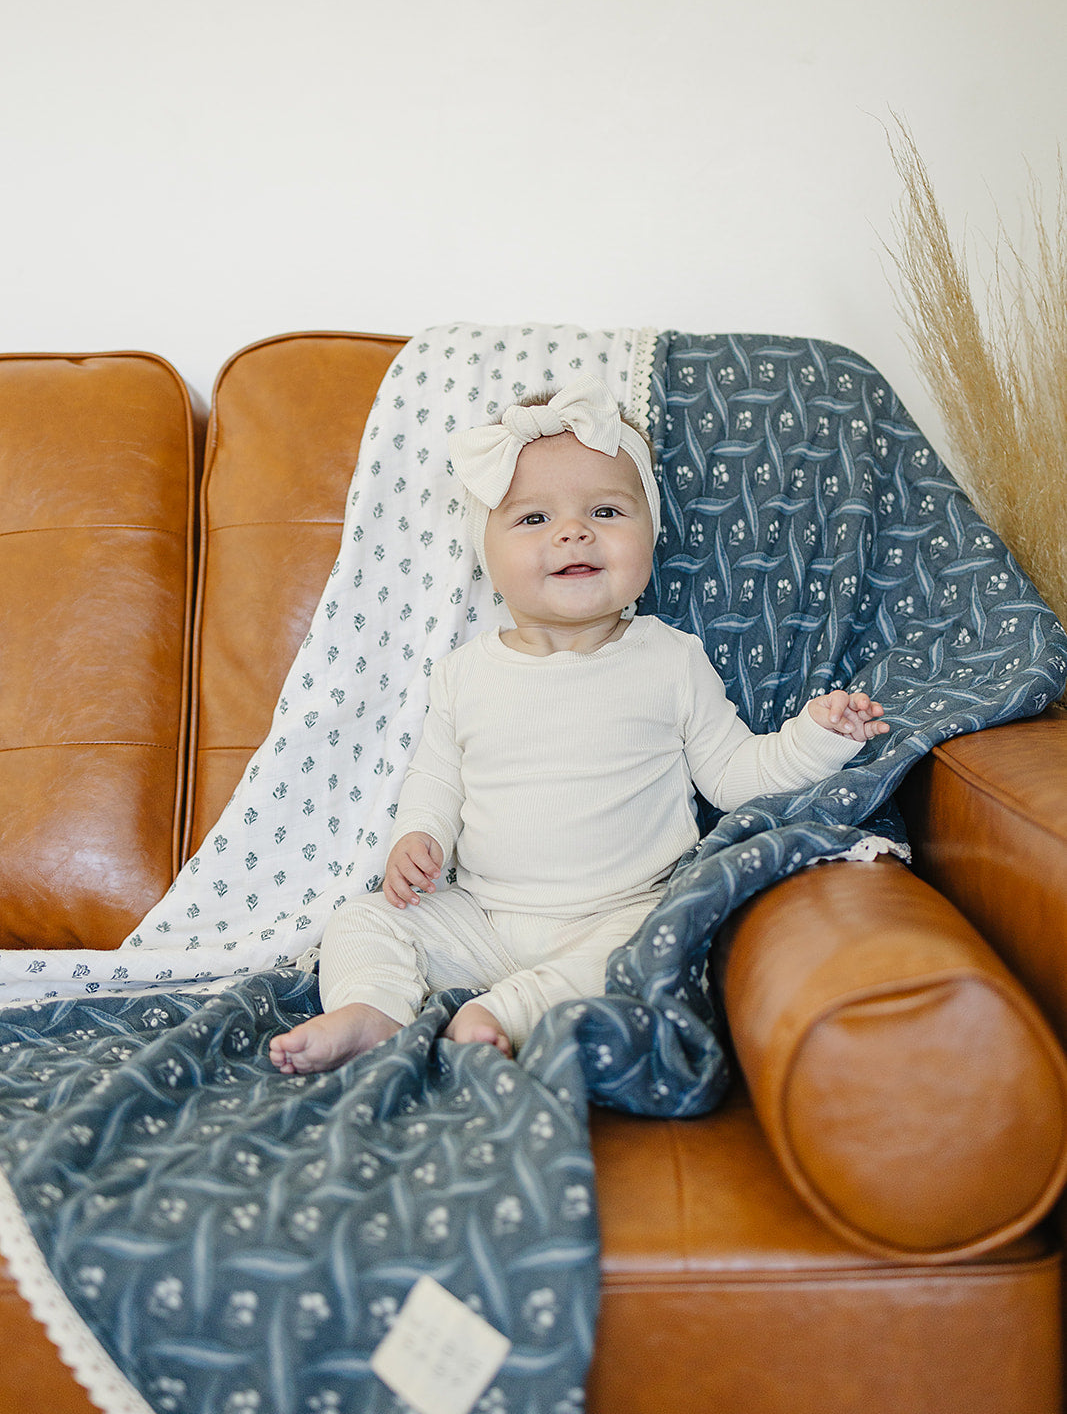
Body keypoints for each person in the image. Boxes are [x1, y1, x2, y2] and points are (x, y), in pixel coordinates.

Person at [269, 375, 888, 1075]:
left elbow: (736, 776)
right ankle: (371, 1010)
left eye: (605, 510)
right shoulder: (465, 673)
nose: (572, 531)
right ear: (488, 556)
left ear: (648, 535)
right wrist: (420, 835)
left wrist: (818, 734)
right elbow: (436, 778)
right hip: (479, 917)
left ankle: (501, 1014)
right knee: (365, 919)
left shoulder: (669, 659)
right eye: (533, 519)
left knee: (650, 944)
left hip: (615, 911)